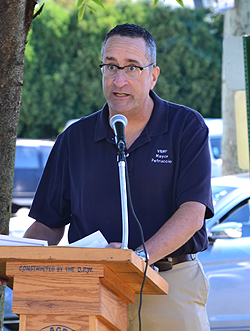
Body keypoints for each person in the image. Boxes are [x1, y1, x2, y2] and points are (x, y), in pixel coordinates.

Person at [22, 23, 214, 330]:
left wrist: (134, 259)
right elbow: (48, 223)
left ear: (153, 75)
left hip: (168, 285)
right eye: (111, 66)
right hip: (92, 289)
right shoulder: (74, 139)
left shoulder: (186, 127)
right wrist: (19, 261)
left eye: (132, 68)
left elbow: (193, 213)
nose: (119, 80)